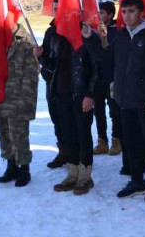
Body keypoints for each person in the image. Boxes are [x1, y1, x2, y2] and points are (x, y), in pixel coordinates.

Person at [84, 0, 145, 203]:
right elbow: (106, 58)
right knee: (131, 143)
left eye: (131, 11)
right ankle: (137, 180)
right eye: (124, 11)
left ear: (141, 13)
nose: (127, 16)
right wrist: (91, 39)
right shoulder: (121, 35)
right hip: (125, 100)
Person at [0, 20, 40, 188]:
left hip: (18, 96)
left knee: (19, 135)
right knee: (4, 133)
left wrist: (26, 101)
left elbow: (32, 74)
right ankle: (11, 166)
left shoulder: (26, 42)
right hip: (0, 94)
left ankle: (24, 169)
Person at [52, 23, 100, 195]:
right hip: (62, 94)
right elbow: (53, 65)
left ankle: (85, 177)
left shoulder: (86, 34)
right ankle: (72, 175)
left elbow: (97, 66)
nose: (59, 14)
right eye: (56, 10)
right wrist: (41, 56)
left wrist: (90, 94)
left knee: (83, 135)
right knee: (68, 134)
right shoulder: (57, 35)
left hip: (81, 94)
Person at [92, 2, 124, 159]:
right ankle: (102, 140)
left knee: (114, 111)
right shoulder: (93, 28)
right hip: (97, 77)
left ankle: (117, 140)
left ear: (110, 15)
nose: (99, 15)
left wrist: (103, 38)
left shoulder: (117, 30)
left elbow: (111, 52)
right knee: (98, 111)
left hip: (112, 76)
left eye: (102, 12)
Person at [41, 0, 69, 169]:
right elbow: (47, 58)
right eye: (55, 8)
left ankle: (79, 155)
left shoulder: (75, 31)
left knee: (71, 122)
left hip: (69, 85)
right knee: (57, 119)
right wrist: (40, 55)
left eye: (61, 8)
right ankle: (63, 152)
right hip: (51, 83)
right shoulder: (50, 32)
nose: (57, 11)